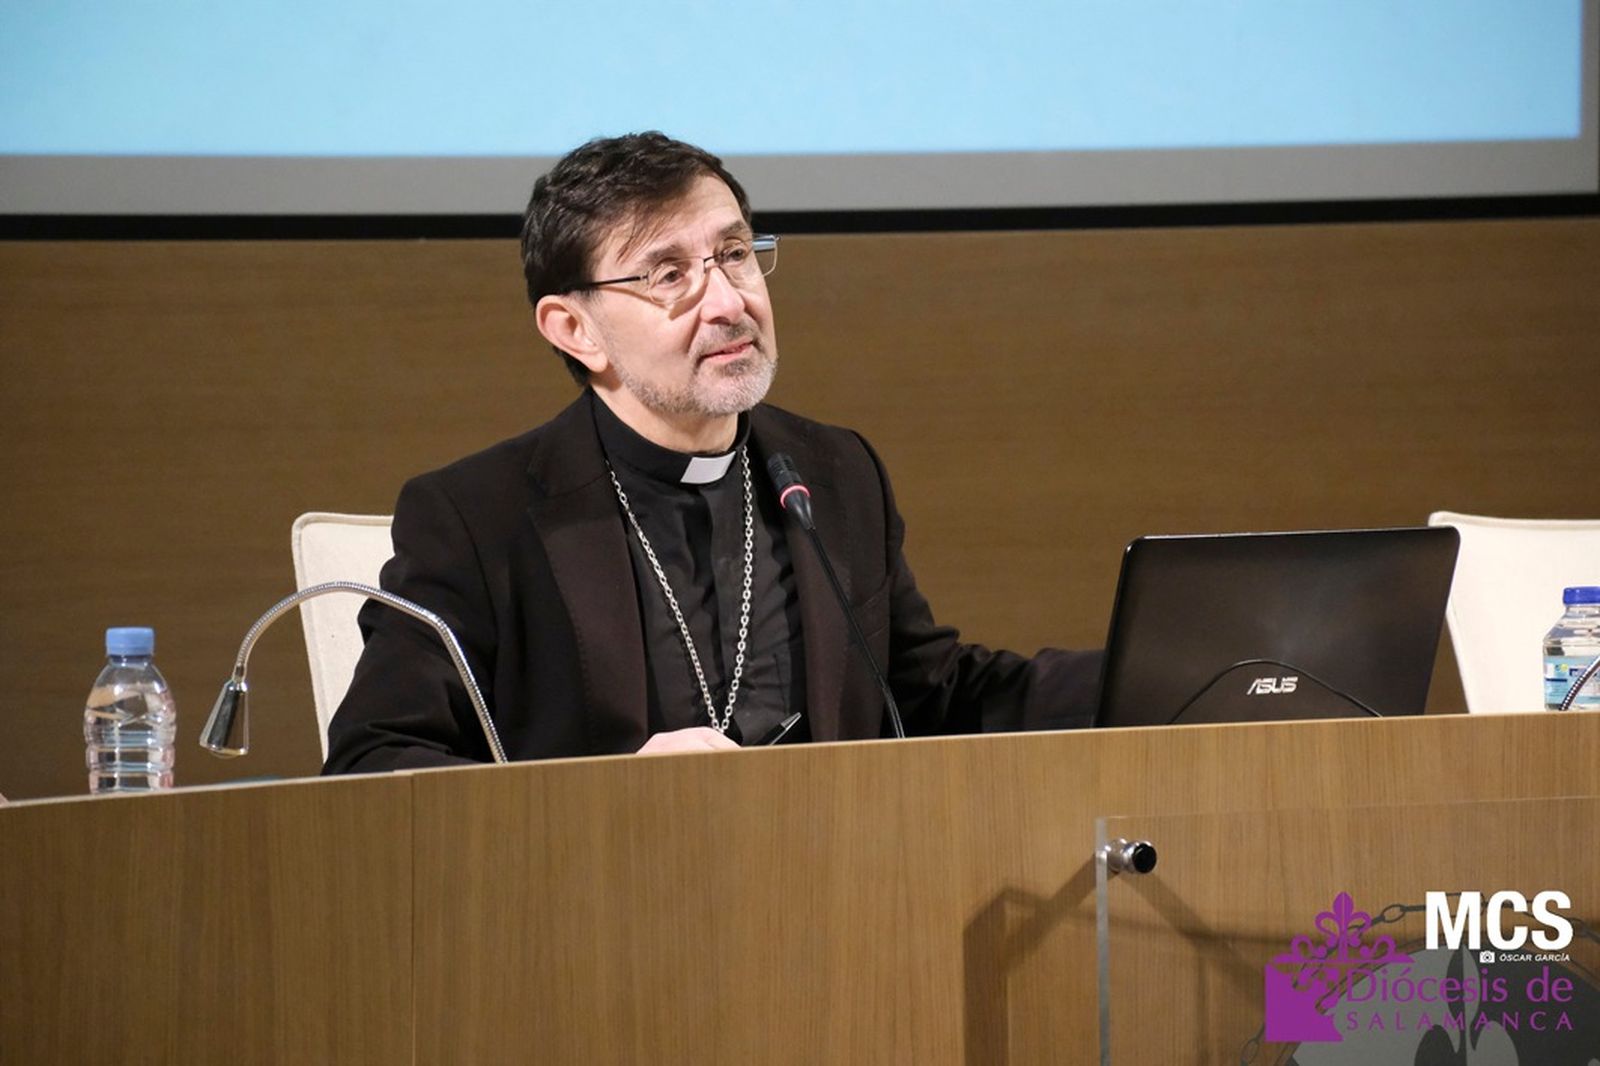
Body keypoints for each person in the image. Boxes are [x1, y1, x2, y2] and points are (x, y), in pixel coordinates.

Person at [322, 132, 1100, 773]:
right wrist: (601, 796)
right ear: (573, 329)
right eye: (669, 274)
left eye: (733, 254)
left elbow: (932, 696)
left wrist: (1144, 673)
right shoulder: (478, 516)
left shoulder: (834, 473)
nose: (730, 302)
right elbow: (376, 757)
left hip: (836, 899)